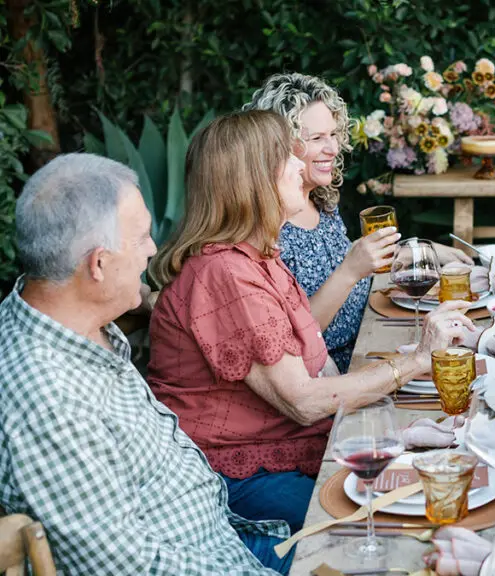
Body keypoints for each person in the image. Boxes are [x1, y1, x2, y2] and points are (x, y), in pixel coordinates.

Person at [146, 110, 471, 533]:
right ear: (254, 181)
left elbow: (315, 362)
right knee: (377, 523)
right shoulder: (226, 273)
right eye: (288, 157)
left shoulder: (257, 256)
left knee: (439, 477)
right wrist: (414, 363)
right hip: (239, 476)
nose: (302, 165)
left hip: (291, 445)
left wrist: (398, 414)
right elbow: (303, 401)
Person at [0, 153, 291, 574]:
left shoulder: (74, 322)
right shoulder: (47, 401)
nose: (153, 250)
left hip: (227, 538)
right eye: (141, 238)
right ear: (97, 264)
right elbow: (129, 566)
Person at [243, 72, 471, 372]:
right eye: (316, 138)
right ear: (278, 146)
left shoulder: (319, 199)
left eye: (334, 134)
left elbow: (338, 265)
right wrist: (351, 269)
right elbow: (294, 339)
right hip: (338, 372)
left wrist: (406, 254)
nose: (334, 149)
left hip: (373, 339)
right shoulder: (265, 226)